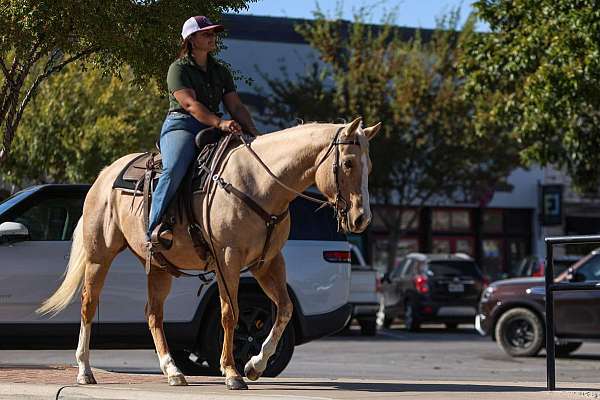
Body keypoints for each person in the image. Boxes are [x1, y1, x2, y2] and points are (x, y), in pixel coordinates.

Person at [147, 15, 260, 244]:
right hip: (183, 125)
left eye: (213, 33)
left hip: (215, 127)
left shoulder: (221, 71)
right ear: (191, 39)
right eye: (206, 33)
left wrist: (254, 134)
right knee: (174, 167)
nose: (212, 37)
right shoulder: (177, 69)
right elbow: (189, 105)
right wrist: (220, 123)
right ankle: (154, 228)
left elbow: (235, 106)